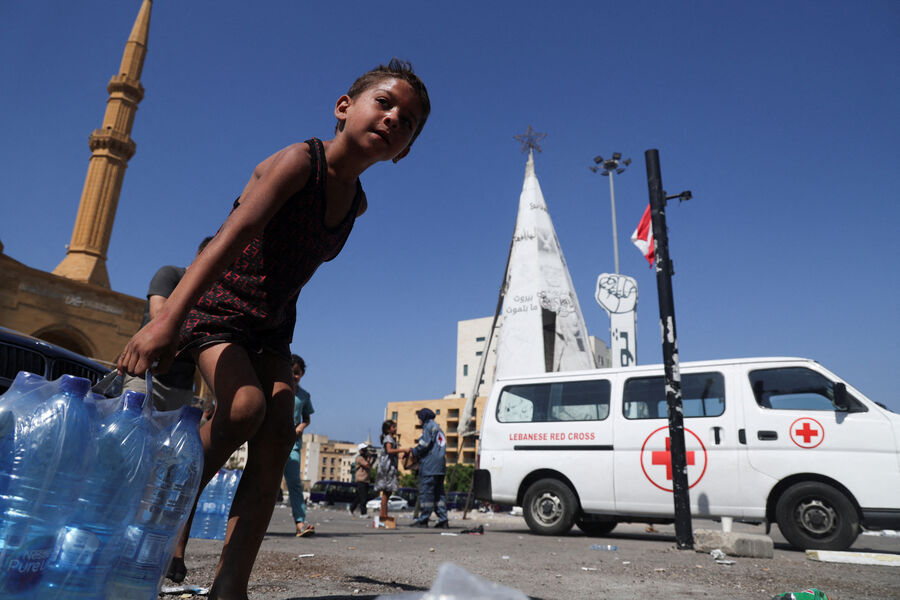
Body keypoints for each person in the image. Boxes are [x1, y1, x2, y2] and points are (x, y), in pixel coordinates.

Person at [116, 59, 430, 599]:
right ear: (344, 107)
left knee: (278, 434)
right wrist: (167, 320)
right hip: (219, 304)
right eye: (385, 103)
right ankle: (170, 498)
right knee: (243, 409)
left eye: (408, 123)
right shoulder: (298, 162)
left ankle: (230, 585)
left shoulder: (356, 203)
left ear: (403, 151)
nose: (393, 119)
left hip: (273, 323)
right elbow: (230, 236)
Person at [122, 236, 213, 411]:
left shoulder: (214, 293)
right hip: (146, 376)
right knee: (132, 422)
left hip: (182, 386)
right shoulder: (171, 274)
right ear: (201, 255)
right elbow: (159, 317)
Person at [285, 354, 315, 536]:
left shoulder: (304, 396)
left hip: (292, 444)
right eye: (291, 372)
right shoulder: (277, 389)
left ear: (302, 374)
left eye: (297, 373)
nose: (293, 376)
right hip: (272, 442)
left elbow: (307, 418)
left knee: (294, 483)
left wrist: (301, 427)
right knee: (263, 481)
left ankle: (300, 522)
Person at [409, 408, 448, 528]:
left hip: (429, 466)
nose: (419, 421)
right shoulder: (438, 427)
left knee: (427, 493)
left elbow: (424, 445)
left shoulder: (428, 427)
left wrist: (413, 452)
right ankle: (443, 520)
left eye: (420, 418)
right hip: (440, 466)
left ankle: (423, 519)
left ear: (424, 417)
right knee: (439, 494)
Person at [373, 420, 404, 523]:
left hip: (389, 467)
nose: (395, 429)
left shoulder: (390, 438)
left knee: (388, 492)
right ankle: (383, 515)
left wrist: (399, 456)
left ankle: (384, 514)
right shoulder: (388, 439)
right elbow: (389, 450)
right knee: (386, 492)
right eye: (393, 427)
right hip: (387, 468)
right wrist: (402, 450)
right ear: (388, 429)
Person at [349, 442, 372, 517]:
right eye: (364, 449)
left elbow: (370, 466)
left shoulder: (364, 458)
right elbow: (367, 465)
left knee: (359, 497)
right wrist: (369, 458)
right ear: (361, 450)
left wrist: (372, 459)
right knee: (363, 497)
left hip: (366, 480)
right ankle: (363, 513)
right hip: (361, 480)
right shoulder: (360, 458)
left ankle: (351, 508)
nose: (366, 450)